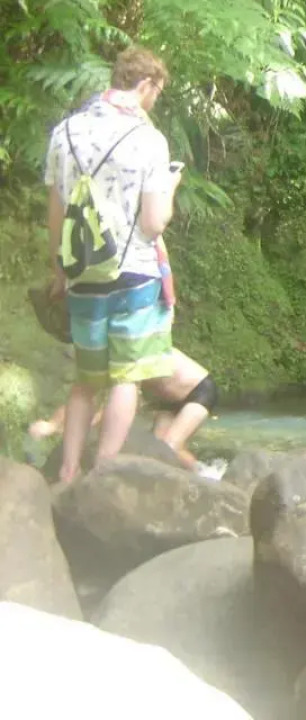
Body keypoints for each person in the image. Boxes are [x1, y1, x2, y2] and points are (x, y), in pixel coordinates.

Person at [45, 48, 181, 483]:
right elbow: (154, 221)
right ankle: (102, 473)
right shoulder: (148, 140)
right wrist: (172, 186)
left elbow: (55, 214)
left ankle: (66, 473)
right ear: (146, 85)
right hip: (134, 272)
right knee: (126, 379)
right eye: (157, 92)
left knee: (86, 380)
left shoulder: (64, 132)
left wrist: (60, 271)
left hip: (82, 271)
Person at [28, 349, 217, 471]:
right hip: (167, 400)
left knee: (169, 446)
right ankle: (199, 471)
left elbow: (106, 409)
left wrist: (60, 427)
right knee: (158, 447)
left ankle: (206, 477)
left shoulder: (129, 353)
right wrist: (54, 424)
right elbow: (89, 397)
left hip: (199, 391)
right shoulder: (117, 358)